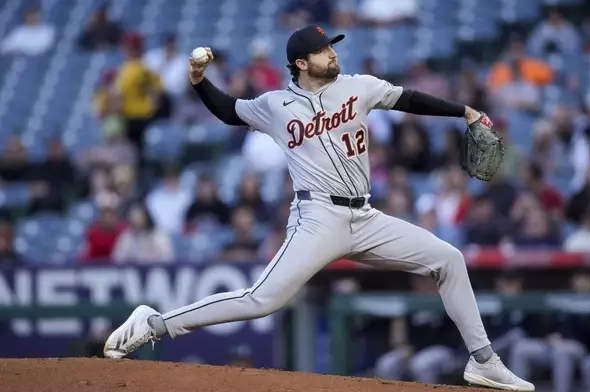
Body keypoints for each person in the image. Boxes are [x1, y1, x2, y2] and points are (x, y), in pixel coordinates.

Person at [103, 25, 534, 391]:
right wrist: (199, 82)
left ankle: (483, 361)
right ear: (302, 63)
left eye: (332, 47)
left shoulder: (359, 86)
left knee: (448, 259)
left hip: (365, 217)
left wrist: (465, 111)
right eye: (325, 50)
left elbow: (410, 99)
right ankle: (155, 324)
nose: (333, 54)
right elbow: (229, 113)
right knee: (261, 300)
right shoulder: (275, 105)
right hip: (317, 218)